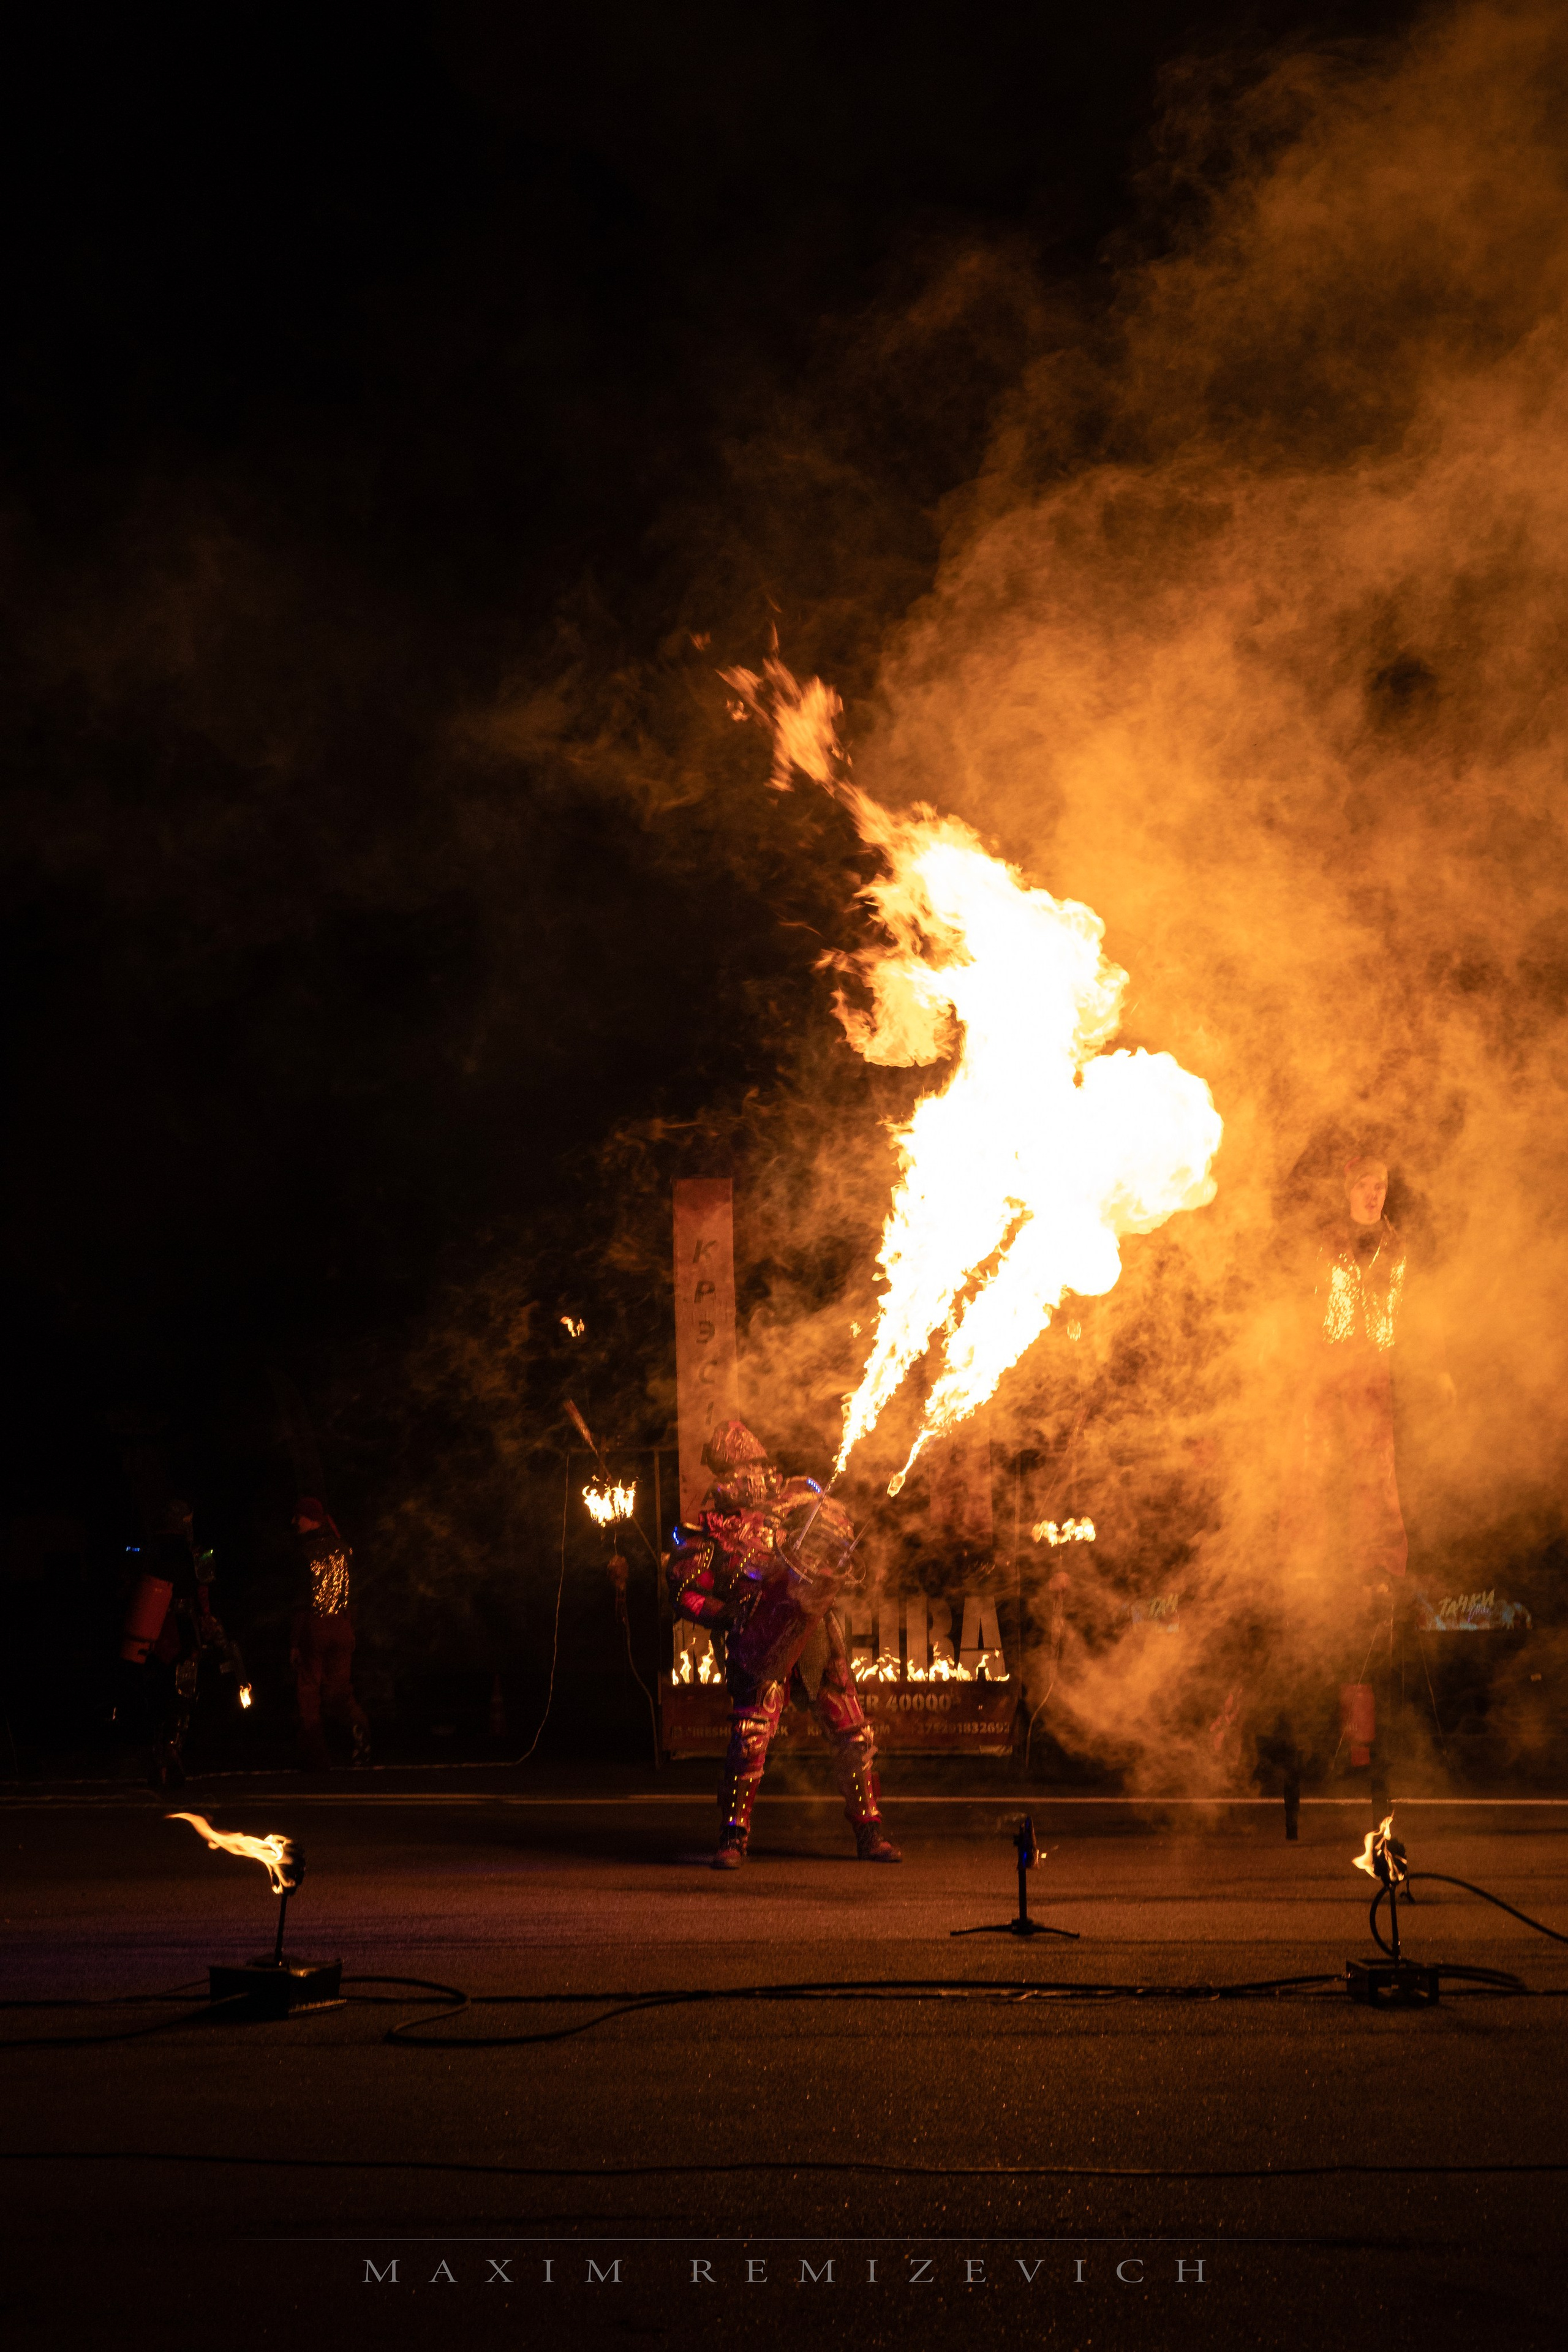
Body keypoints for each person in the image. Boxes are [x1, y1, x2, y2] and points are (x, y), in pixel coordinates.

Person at [1273, 1152, 1450, 1799]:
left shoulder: (1398, 1245)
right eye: (1366, 1185)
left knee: (1376, 1463)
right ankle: (1306, 1545)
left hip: (1373, 1365)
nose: (1375, 1194)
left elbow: (1402, 1309)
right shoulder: (1325, 1242)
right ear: (1348, 1191)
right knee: (1316, 1456)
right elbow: (1307, 1300)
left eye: (1382, 1186)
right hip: (1327, 1362)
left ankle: (1381, 1553)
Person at [667, 1420, 900, 1868]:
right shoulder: (710, 1532)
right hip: (758, 1636)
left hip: (812, 1632)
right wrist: (723, 1612)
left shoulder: (801, 1500)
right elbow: (683, 1592)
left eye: (752, 1466)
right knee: (750, 1737)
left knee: (853, 1732)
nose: (746, 1477)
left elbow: (842, 1545)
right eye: (733, 1470)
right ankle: (733, 1836)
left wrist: (827, 1542)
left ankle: (870, 1831)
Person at [289, 1497, 370, 1770]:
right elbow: (354, 1594)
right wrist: (351, 1628)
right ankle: (360, 1734)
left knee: (309, 1692)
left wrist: (294, 1643)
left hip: (315, 1626)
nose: (294, 1522)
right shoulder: (344, 1549)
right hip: (343, 1626)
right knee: (339, 1692)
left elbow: (302, 1601)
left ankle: (316, 1758)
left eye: (298, 1517)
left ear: (312, 1519)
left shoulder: (304, 1553)